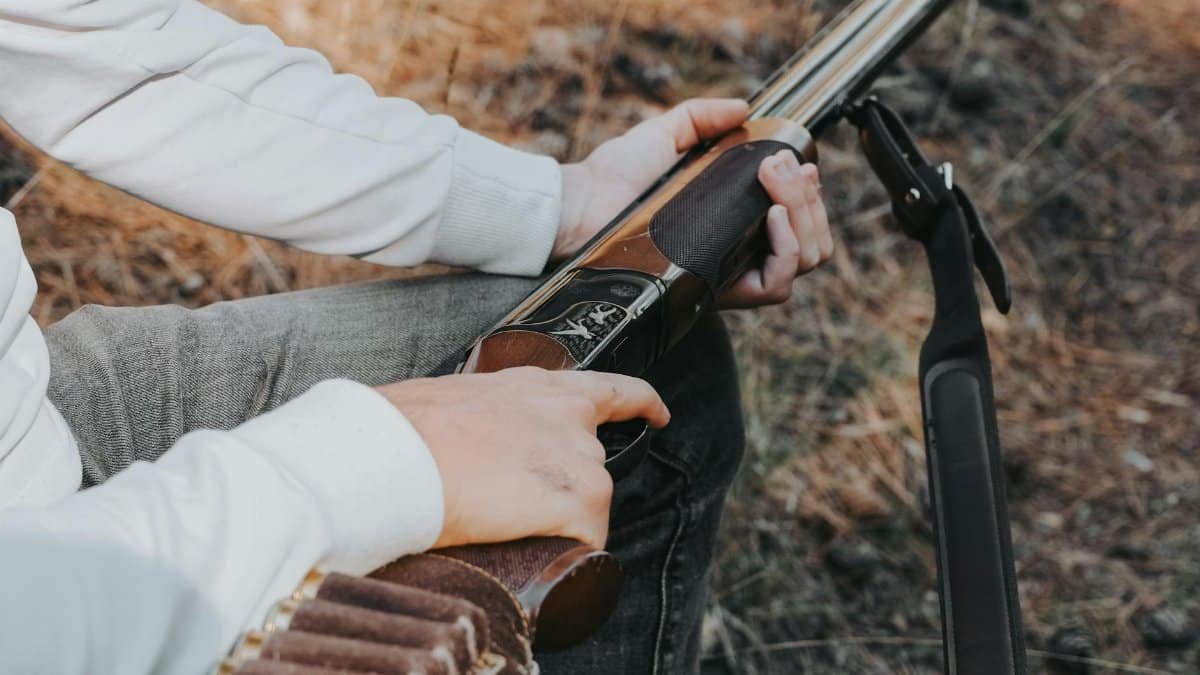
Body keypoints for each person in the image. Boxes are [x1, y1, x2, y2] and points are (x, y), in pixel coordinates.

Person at [0, 1, 833, 673]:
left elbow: (100, 53)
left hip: (35, 413)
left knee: (647, 370)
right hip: (58, 575)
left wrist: (557, 206)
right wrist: (374, 466)